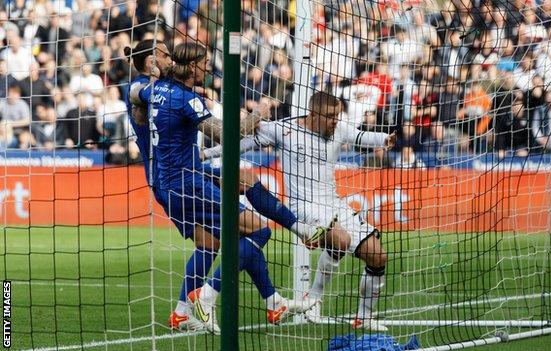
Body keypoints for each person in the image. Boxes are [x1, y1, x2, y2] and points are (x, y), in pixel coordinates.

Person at [128, 41, 316, 332]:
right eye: (164, 55)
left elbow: (136, 99)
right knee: (257, 229)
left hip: (172, 176)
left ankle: (191, 310)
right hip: (183, 180)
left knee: (215, 235)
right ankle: (208, 295)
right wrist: (259, 114)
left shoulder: (151, 89)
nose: (207, 69)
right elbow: (226, 134)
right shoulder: (181, 97)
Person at [199, 91, 396, 331]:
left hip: (334, 203)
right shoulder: (285, 130)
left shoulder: (339, 129)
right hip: (302, 206)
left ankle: (364, 317)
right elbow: (242, 144)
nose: (336, 121)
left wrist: (384, 138)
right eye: (331, 116)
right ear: (314, 114)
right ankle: (314, 298)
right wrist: (205, 155)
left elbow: (360, 136)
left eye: (338, 115)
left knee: (377, 255)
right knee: (340, 239)